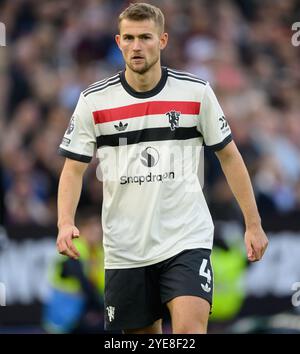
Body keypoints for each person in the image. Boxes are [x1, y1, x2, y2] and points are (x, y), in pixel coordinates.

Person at [56, 2, 268, 334]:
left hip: (185, 238)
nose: (136, 46)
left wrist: (253, 224)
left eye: (145, 37)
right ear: (118, 42)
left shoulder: (196, 93)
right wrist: (65, 222)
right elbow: (72, 169)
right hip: (126, 248)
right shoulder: (94, 102)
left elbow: (229, 156)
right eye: (129, 38)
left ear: (163, 40)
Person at [44, 210, 105, 333]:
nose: (97, 232)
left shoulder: (100, 252)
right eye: (92, 228)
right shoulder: (72, 247)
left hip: (88, 305)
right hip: (66, 305)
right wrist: (97, 307)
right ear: (81, 229)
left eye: (99, 228)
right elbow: (81, 280)